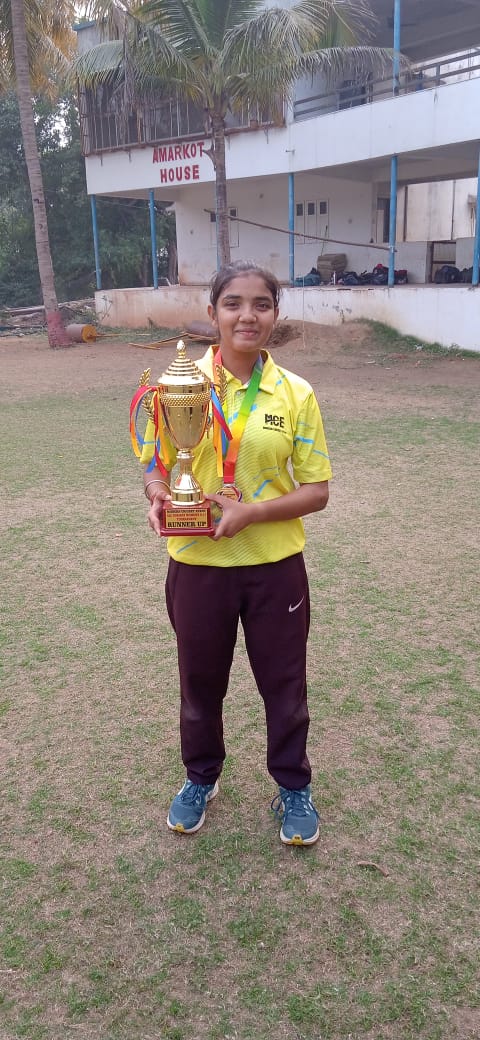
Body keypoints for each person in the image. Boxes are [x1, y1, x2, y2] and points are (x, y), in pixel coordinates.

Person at [139, 260, 332, 845]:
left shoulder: (295, 393)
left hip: (275, 568)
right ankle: (201, 777)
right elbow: (155, 463)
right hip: (198, 565)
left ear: (274, 314)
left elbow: (317, 490)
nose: (248, 316)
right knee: (199, 683)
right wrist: (159, 495)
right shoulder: (177, 384)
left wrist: (252, 512)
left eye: (261, 304)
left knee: (285, 684)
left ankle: (293, 785)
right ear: (212, 313)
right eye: (233, 303)